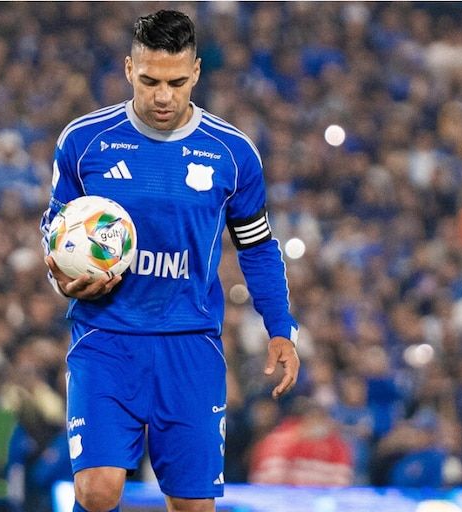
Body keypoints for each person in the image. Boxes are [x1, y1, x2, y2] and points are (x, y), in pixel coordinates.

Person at [40, 10, 300, 512]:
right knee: (97, 490)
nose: (163, 96)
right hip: (106, 338)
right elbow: (56, 229)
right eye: (150, 81)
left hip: (190, 342)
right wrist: (61, 280)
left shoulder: (232, 153)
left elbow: (257, 246)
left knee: (192, 506)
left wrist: (280, 326)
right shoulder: (84, 142)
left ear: (196, 72)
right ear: (128, 69)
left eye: (176, 82)